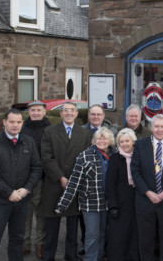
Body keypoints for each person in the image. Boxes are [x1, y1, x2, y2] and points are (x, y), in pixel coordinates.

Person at [0, 108, 42, 261]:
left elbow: (36, 167)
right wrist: (8, 193)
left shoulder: (29, 142)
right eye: (12, 122)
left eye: (18, 122)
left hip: (22, 199)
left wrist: (27, 189)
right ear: (5, 123)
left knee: (17, 238)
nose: (15, 125)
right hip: (0, 200)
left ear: (22, 123)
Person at [39, 101, 93, 261]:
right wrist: (61, 177)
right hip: (54, 183)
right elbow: (46, 157)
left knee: (72, 225)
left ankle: (71, 255)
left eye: (72, 110)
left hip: (75, 185)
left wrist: (74, 180)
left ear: (76, 114)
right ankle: (48, 256)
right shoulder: (49, 131)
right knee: (52, 226)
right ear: (61, 114)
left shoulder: (84, 134)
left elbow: (85, 158)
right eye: (66, 110)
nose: (69, 113)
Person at [55, 128, 115, 261]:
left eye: (105, 138)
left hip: (107, 203)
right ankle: (90, 258)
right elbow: (74, 182)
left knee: (102, 234)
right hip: (90, 203)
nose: (102, 141)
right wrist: (62, 204)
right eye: (99, 138)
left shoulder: (114, 154)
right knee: (92, 235)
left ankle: (98, 257)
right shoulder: (84, 156)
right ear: (94, 140)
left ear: (110, 140)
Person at [131, 114, 163, 260]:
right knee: (145, 241)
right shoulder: (141, 144)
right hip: (145, 201)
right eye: (156, 126)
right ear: (151, 127)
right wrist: (148, 193)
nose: (159, 129)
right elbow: (135, 171)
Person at [21, 100, 50, 258]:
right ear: (29, 112)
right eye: (33, 110)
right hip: (24, 179)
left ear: (44, 111)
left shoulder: (50, 129)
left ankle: (40, 244)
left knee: (41, 213)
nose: (36, 113)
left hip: (42, 178)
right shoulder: (22, 129)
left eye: (39, 110)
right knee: (25, 213)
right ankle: (25, 244)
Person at [105, 128, 139, 261]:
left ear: (133, 141)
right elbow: (110, 183)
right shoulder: (115, 158)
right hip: (119, 203)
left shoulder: (138, 156)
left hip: (135, 202)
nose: (125, 144)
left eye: (127, 141)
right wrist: (113, 205)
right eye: (121, 142)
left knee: (133, 235)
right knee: (118, 236)